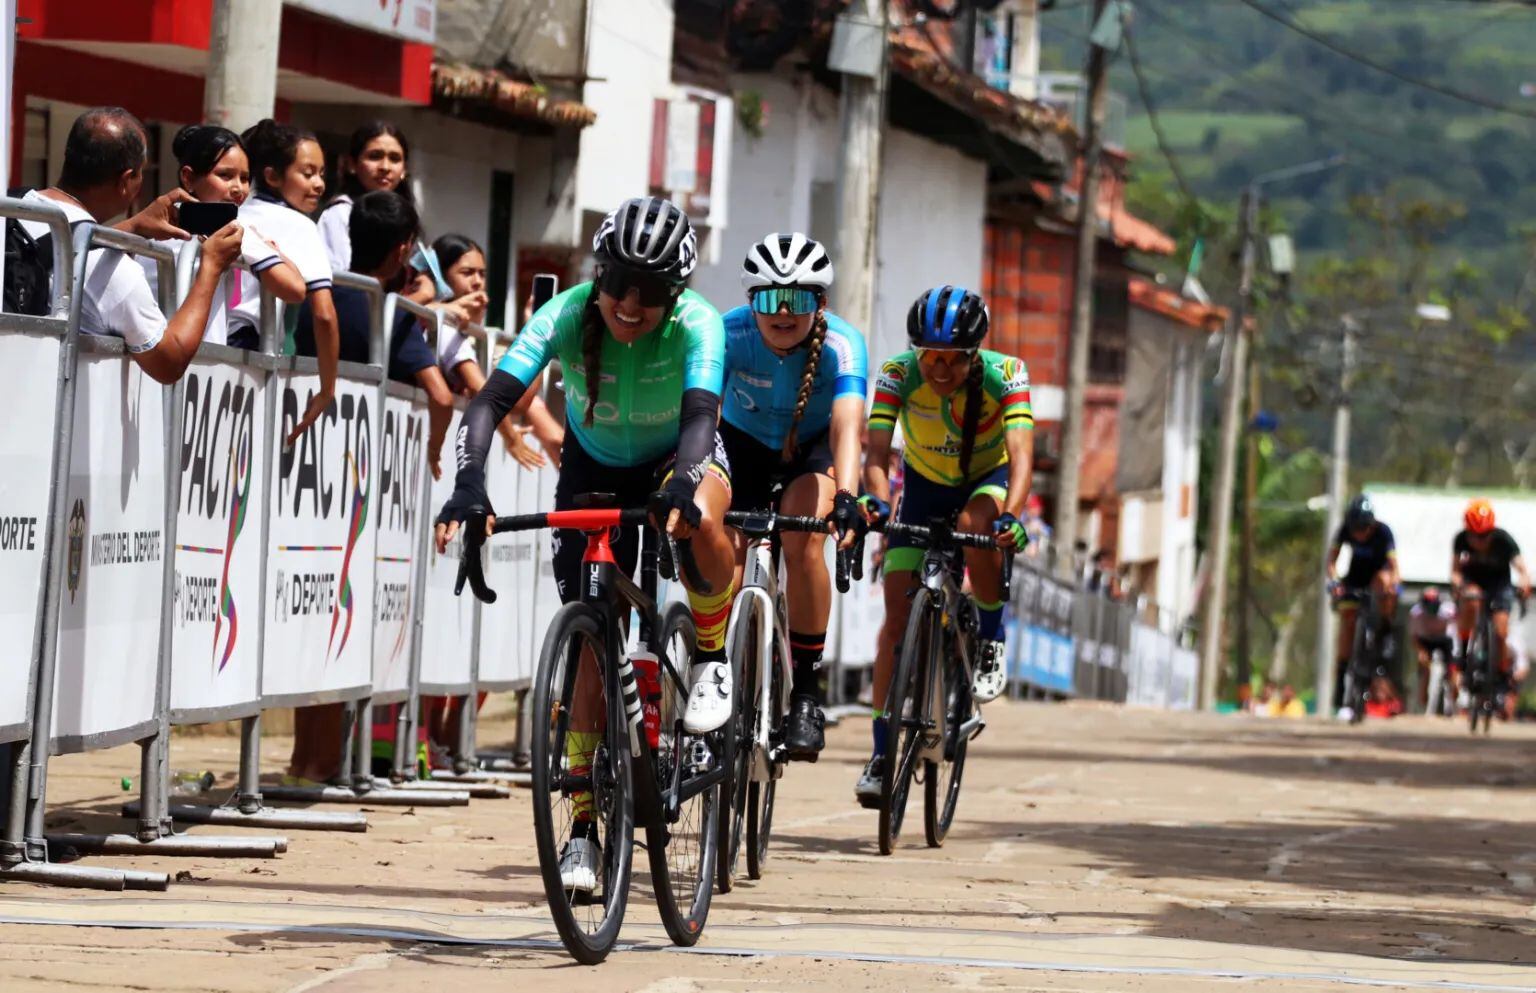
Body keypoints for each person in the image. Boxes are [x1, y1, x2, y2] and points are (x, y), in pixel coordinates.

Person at [434, 197, 736, 893]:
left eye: (652, 291)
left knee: (702, 517)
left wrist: (684, 486)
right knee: (592, 638)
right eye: (619, 283)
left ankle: (714, 654)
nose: (630, 304)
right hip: (593, 466)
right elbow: (486, 404)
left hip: (678, 453)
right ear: (598, 273)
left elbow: (700, 419)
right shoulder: (567, 313)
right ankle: (582, 829)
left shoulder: (699, 324)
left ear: (677, 292)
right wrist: (471, 484)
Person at [858, 285, 1034, 804]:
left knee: (974, 521)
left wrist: (1013, 516)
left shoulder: (1008, 375)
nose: (937, 368)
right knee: (894, 624)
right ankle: (880, 752)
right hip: (922, 487)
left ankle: (991, 635)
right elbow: (875, 452)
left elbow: (1022, 454)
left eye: (952, 360)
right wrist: (877, 501)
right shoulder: (897, 373)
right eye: (928, 356)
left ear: (974, 353)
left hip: (988, 479)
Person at [719, 232, 868, 760]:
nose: (782, 311)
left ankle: (805, 693)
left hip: (812, 453)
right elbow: (699, 413)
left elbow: (848, 429)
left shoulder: (842, 346)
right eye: (768, 297)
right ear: (749, 300)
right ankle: (712, 670)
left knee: (802, 541)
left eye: (798, 298)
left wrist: (847, 496)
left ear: (820, 303)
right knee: (723, 554)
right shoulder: (728, 334)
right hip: (742, 448)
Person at [16, 107, 243, 383]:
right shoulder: (113, 272)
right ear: (126, 180)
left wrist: (133, 227)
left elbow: (67, 246)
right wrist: (211, 269)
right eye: (141, 173)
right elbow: (168, 361)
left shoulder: (15, 211)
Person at [137, 125, 307, 345]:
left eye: (245, 178)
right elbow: (295, 289)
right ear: (188, 177)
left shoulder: (152, 223)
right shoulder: (234, 233)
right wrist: (273, 251)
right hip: (192, 361)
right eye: (225, 175)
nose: (238, 188)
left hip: (151, 360)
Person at [229, 119, 337, 448]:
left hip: (215, 340)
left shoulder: (234, 212)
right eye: (307, 173)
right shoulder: (300, 225)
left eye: (322, 173)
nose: (318, 184)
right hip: (251, 347)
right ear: (273, 176)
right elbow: (324, 314)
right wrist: (327, 388)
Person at [429, 233, 564, 470]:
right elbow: (488, 395)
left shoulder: (482, 337)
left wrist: (537, 331)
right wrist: (511, 437)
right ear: (440, 277)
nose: (477, 282)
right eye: (467, 273)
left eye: (482, 274)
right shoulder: (441, 326)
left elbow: (521, 403)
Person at [1450, 498, 1532, 707]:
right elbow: (1456, 572)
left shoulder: (1504, 540)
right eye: (1475, 536)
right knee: (1471, 600)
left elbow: (1521, 568)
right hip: (1474, 583)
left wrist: (1524, 581)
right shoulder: (1460, 540)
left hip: (1499, 586)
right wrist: (1458, 585)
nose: (1480, 541)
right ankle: (1465, 651)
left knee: (1501, 631)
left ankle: (1502, 672)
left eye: (1484, 535)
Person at [1325, 495, 1399, 717]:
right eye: (1356, 528)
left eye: (1364, 527)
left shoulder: (1384, 532)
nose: (1360, 533)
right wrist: (1335, 582)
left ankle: (1385, 628)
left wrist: (1394, 585)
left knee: (1385, 583)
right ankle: (1341, 678)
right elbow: (1331, 561)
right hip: (1355, 579)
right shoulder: (1344, 531)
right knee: (1348, 621)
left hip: (1378, 579)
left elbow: (1395, 567)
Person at [317, 120, 411, 273]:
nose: (385, 167)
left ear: (404, 169)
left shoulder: (406, 219)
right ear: (352, 164)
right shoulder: (341, 214)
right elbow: (341, 281)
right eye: (375, 156)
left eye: (394, 158)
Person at [1409, 586, 1457, 714]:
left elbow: (1457, 630)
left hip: (1445, 640)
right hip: (1426, 640)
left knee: (1452, 671)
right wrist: (1421, 651)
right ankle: (1423, 703)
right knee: (1425, 668)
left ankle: (1453, 702)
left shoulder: (1448, 610)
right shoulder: (1416, 612)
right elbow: (1413, 636)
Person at [1022, 492, 1051, 560]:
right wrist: (1028, 526)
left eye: (1038, 509)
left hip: (1035, 553)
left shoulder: (1037, 520)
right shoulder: (1023, 516)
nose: (1037, 511)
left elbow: (1048, 531)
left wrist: (1041, 529)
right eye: (1034, 508)